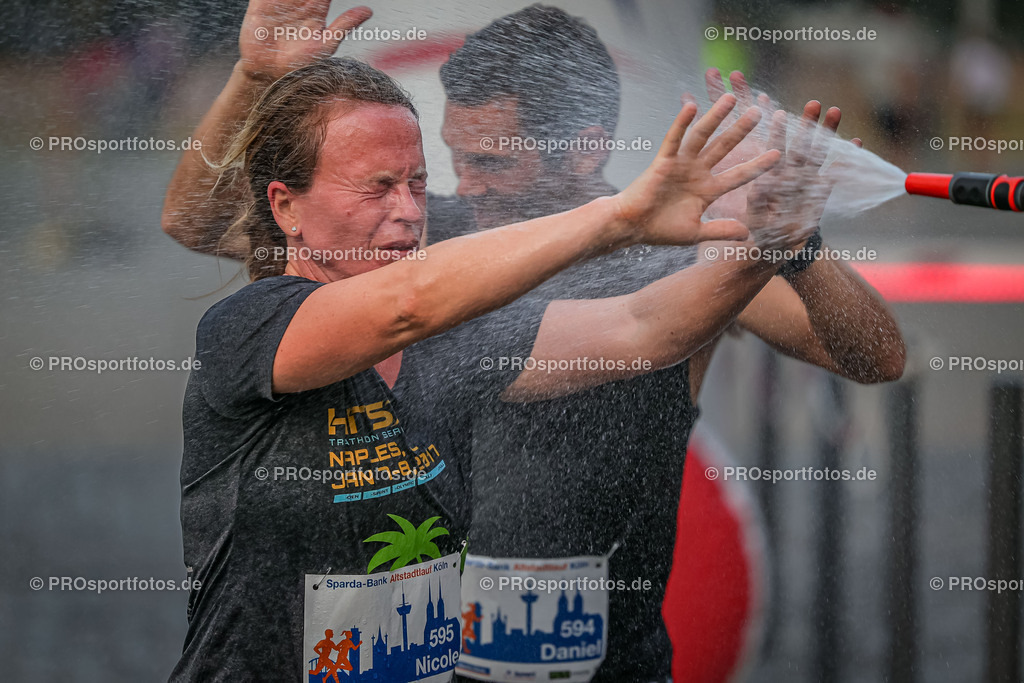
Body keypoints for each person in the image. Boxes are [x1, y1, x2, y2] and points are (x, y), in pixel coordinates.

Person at [161, 3, 905, 681]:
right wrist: (254, 78)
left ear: (583, 149)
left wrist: (791, 239)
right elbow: (198, 221)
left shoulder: (680, 255)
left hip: (604, 659)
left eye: (491, 161)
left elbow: (872, 357)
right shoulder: (420, 247)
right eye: (455, 158)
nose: (463, 187)